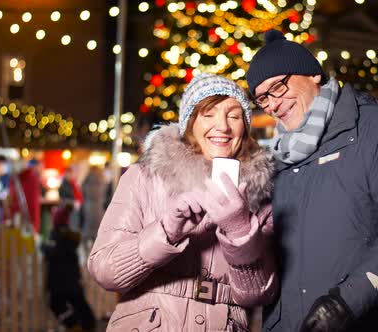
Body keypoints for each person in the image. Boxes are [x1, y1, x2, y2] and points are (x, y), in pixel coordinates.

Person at [246, 29, 378, 332]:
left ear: (313, 75)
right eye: (262, 97)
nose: (272, 104)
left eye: (279, 86)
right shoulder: (277, 158)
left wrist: (346, 302)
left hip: (369, 322)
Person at [87, 73, 277, 331]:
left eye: (233, 116)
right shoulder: (145, 177)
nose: (222, 126)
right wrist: (165, 232)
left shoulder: (260, 193)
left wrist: (240, 229)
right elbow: (104, 271)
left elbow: (259, 295)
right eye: (208, 114)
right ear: (189, 122)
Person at [42, 203, 96, 332]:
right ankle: (85, 324)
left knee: (57, 304)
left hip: (58, 283)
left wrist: (43, 248)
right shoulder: (71, 240)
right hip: (72, 282)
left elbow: (51, 252)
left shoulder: (56, 238)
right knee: (79, 304)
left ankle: (74, 324)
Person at [80, 166, 106, 243]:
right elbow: (105, 192)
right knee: (98, 229)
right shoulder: (102, 179)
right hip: (99, 206)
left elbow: (82, 189)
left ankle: (86, 247)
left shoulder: (87, 179)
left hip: (89, 205)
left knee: (87, 227)